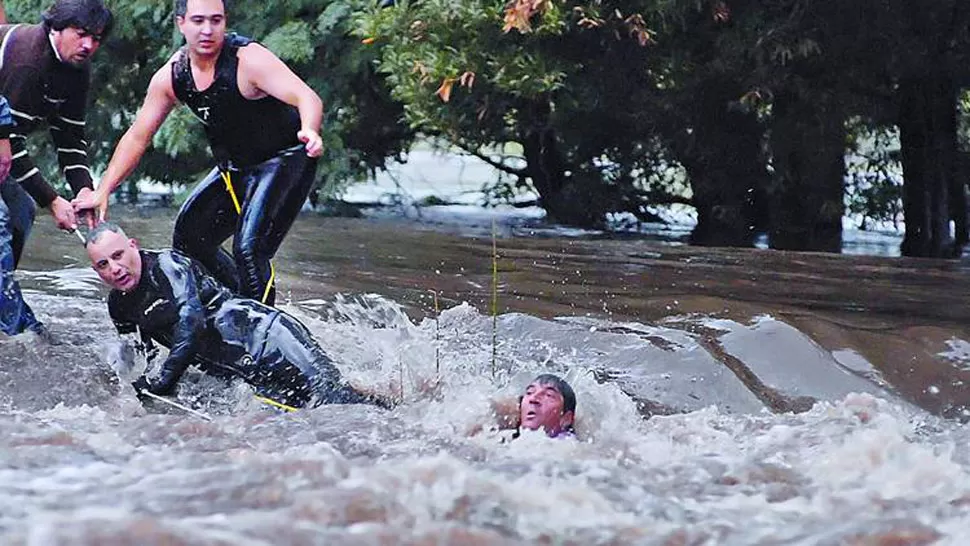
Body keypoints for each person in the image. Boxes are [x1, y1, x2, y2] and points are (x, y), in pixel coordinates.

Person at [73, 0, 324, 307]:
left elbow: (306, 96)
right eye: (198, 21)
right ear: (181, 23)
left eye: (216, 21)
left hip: (285, 159)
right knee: (190, 239)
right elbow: (138, 137)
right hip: (235, 167)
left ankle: (261, 330)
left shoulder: (248, 60)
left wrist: (310, 129)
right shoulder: (173, 77)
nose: (207, 30)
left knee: (249, 249)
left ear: (225, 22)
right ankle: (230, 307)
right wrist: (103, 190)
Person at [85, 221, 382, 410]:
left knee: (337, 403)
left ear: (132, 246)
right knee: (304, 417)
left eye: (118, 255)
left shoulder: (168, 266)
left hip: (270, 337)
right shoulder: (119, 306)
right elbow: (137, 355)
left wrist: (164, 379)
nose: (114, 268)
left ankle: (408, 413)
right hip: (242, 369)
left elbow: (192, 321)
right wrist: (129, 389)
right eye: (103, 264)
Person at [0, 0, 111, 335]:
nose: (89, 45)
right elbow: (10, 150)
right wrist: (52, 199)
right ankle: (13, 325)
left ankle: (5, 302)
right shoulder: (27, 62)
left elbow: (71, 137)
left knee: (21, 210)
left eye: (96, 38)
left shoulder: (77, 68)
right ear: (55, 28)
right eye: (81, 35)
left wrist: (84, 190)